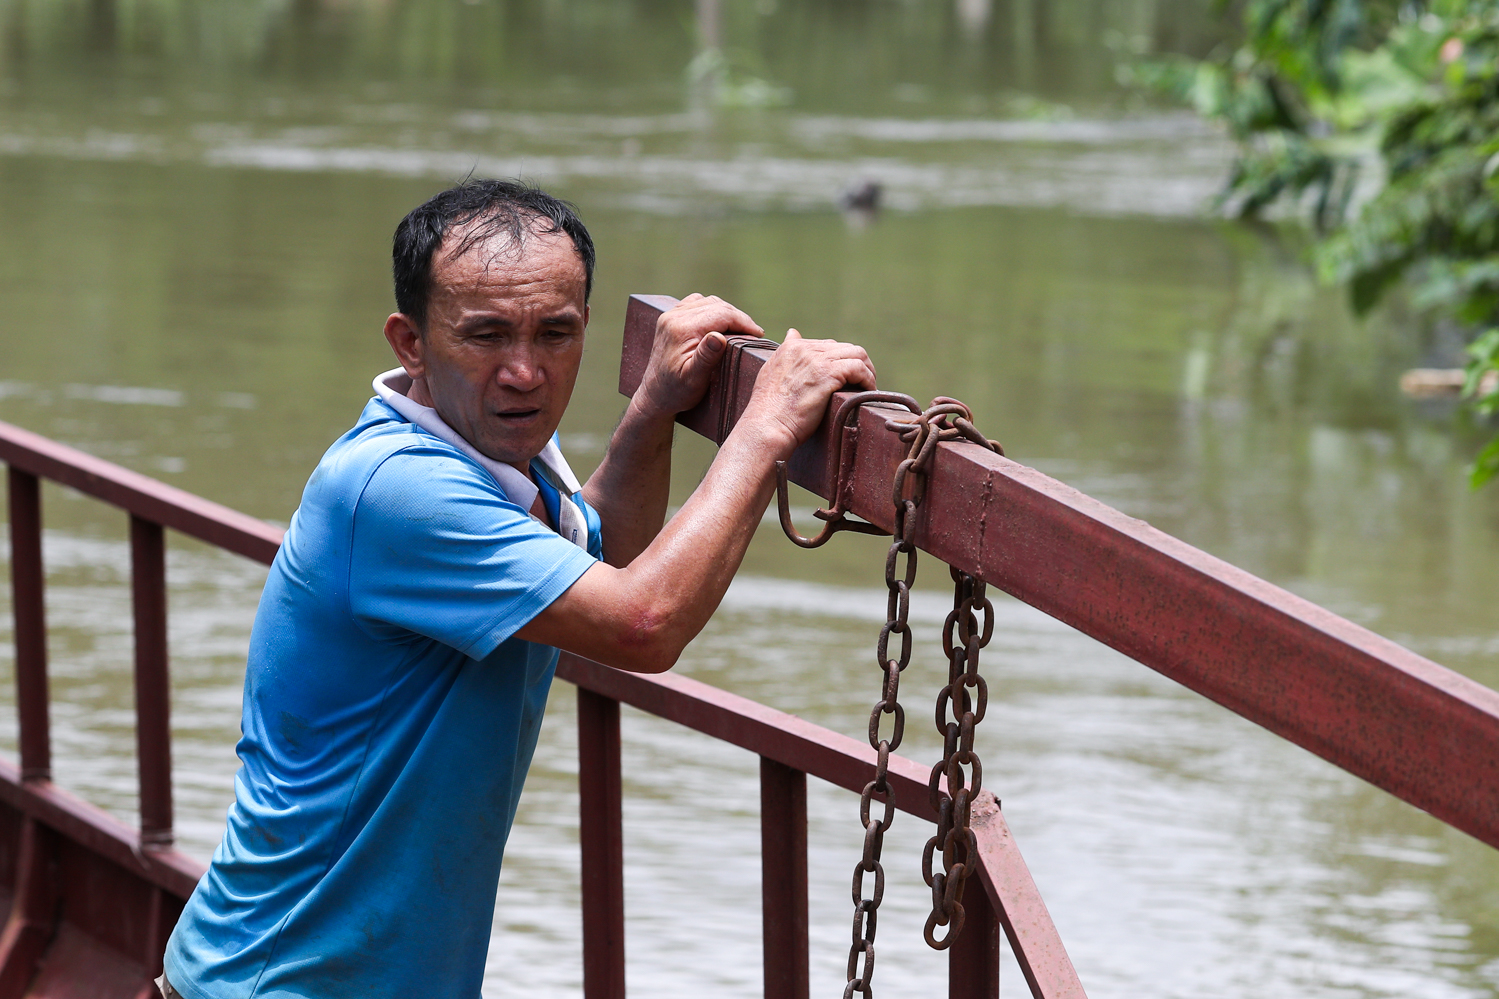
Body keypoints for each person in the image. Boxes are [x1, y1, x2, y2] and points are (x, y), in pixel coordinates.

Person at [160, 179, 876, 998]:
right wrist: (769, 423)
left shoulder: (493, 469)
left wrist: (651, 412)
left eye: (556, 332)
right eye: (487, 335)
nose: (525, 372)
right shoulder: (397, 490)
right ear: (411, 343)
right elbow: (642, 622)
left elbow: (603, 570)